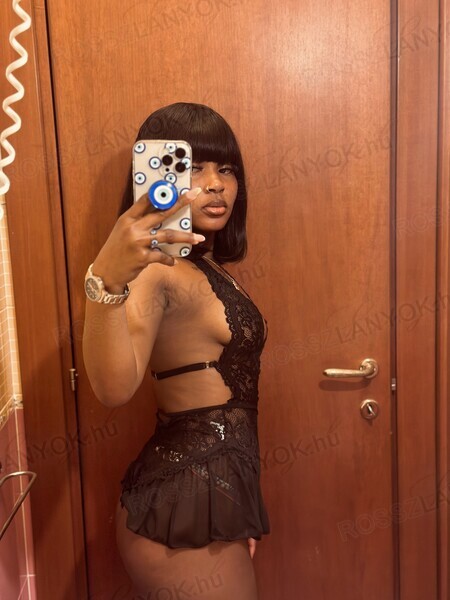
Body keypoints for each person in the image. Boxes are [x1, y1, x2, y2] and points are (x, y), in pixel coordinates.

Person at [82, 102, 270, 599]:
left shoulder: (201, 265)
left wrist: (236, 507)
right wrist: (105, 279)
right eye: (194, 167)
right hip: (180, 508)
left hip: (213, 499)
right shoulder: (156, 269)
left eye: (226, 169)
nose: (215, 184)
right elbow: (114, 389)